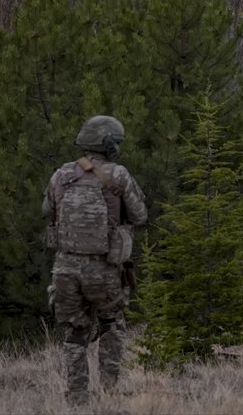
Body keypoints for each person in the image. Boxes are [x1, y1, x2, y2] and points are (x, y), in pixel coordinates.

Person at [43, 115, 147, 407]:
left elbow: (47, 210)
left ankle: (76, 398)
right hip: (103, 268)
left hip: (64, 269)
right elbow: (140, 215)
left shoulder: (61, 175)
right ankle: (109, 393)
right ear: (109, 145)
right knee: (112, 324)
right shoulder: (119, 175)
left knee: (75, 332)